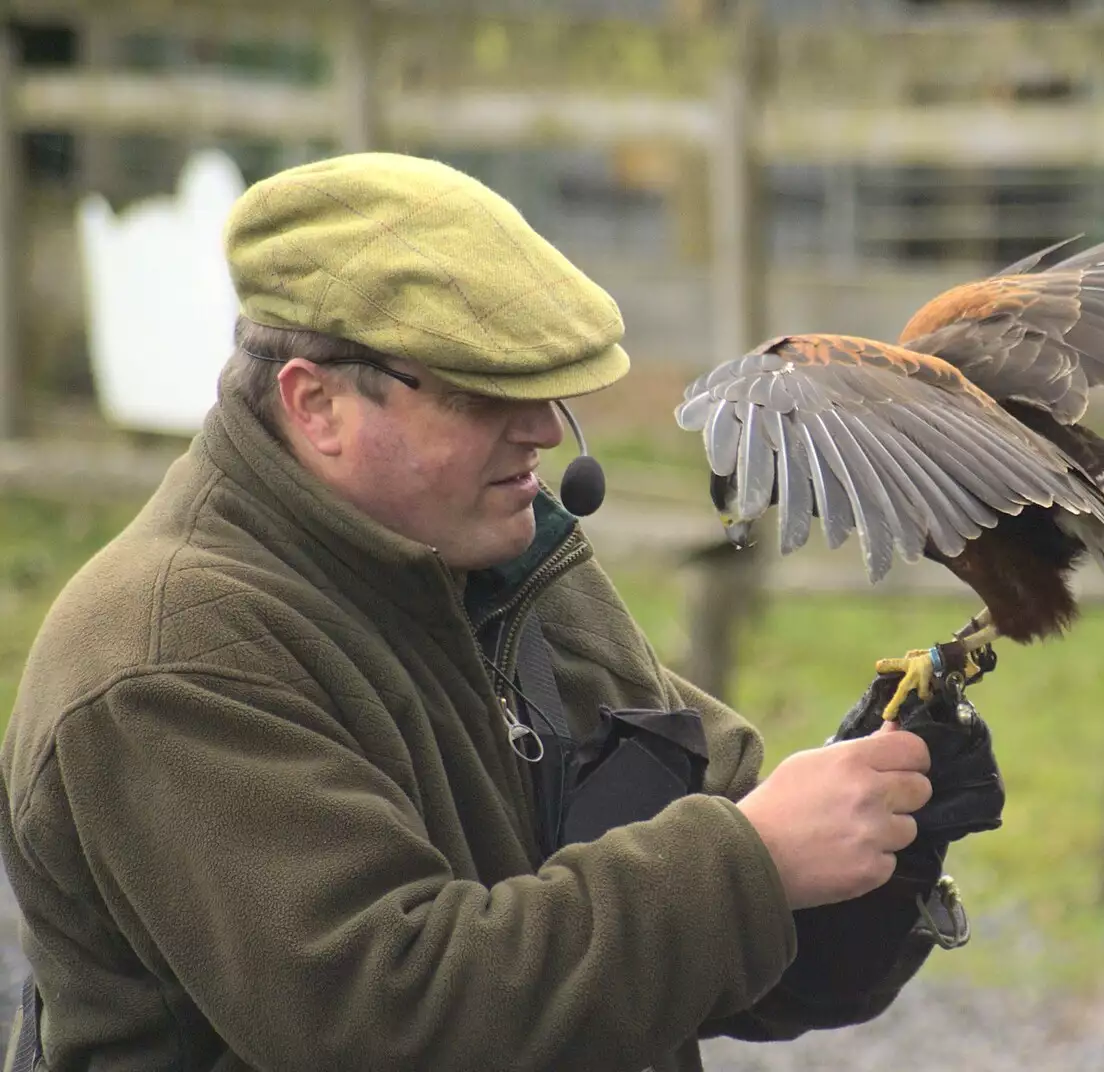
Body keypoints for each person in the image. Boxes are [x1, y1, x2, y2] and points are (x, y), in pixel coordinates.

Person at [0, 152, 1005, 1071]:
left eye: (547, 393)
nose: (537, 432)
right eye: (485, 395)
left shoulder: (505, 563)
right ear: (317, 406)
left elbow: (727, 947)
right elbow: (391, 1016)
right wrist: (752, 859)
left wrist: (879, 840)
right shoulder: (167, 656)